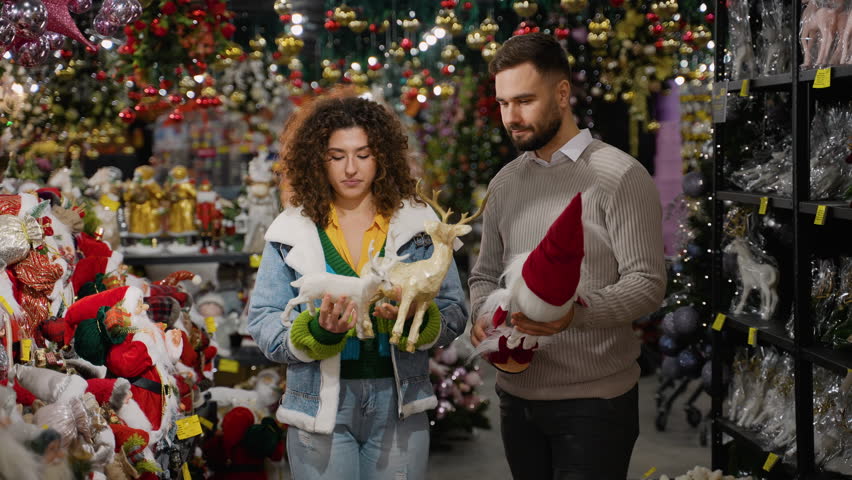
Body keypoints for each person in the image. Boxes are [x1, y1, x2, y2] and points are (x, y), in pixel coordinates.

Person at [469, 33, 666, 480]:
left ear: (562, 94)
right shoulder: (505, 182)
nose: (511, 118)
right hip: (515, 397)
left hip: (594, 404)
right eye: (502, 104)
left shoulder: (618, 175)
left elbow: (647, 283)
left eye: (523, 101)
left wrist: (574, 314)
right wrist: (480, 314)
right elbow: (484, 275)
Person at [247, 94, 467, 480]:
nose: (351, 168)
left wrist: (419, 315)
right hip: (319, 407)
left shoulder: (419, 222)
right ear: (318, 160)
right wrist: (316, 332)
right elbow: (264, 320)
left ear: (382, 156)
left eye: (363, 154)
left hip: (399, 405)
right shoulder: (291, 228)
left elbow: (453, 310)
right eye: (336, 156)